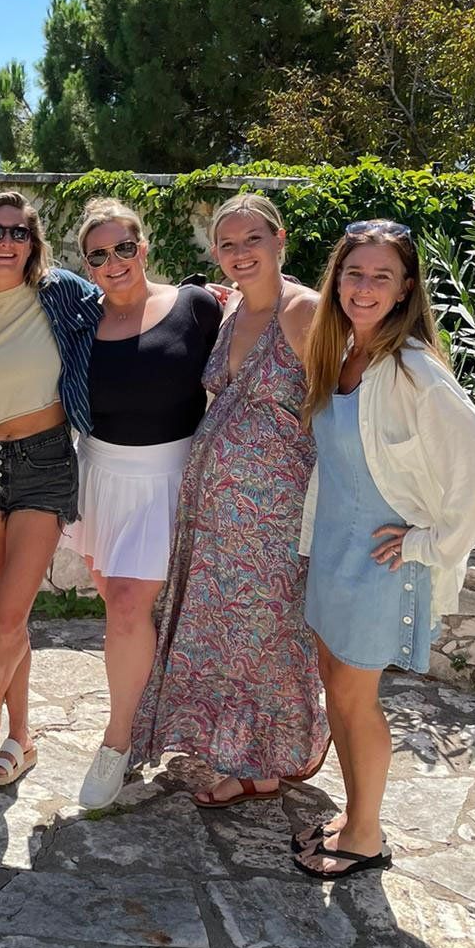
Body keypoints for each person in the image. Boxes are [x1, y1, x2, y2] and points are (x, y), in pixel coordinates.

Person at [294, 220, 475, 880]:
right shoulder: (341, 353)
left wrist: (431, 543)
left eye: (380, 277)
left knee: (356, 702)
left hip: (382, 564)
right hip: (334, 552)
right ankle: (357, 815)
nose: (363, 289)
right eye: (353, 274)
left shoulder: (413, 368)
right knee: (337, 689)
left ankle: (364, 835)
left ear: (405, 287)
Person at [132, 193, 329, 803]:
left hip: (273, 511)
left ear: (280, 240)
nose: (240, 253)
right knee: (224, 634)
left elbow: (344, 401)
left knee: (267, 635)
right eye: (228, 244)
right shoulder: (233, 308)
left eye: (253, 240)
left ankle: (264, 766)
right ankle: (238, 749)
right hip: (216, 513)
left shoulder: (305, 313)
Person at [66, 199, 222, 810]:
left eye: (123, 248)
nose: (113, 263)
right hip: (101, 475)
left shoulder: (196, 306)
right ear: (88, 264)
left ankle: (117, 742)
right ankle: (152, 710)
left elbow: (257, 336)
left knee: (128, 610)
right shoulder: (78, 321)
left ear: (144, 247)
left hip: (169, 477)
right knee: (123, 606)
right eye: (98, 255)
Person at [0, 190, 102, 786]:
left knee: (10, 617)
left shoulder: (61, 295)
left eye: (18, 233)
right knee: (6, 614)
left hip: (44, 462)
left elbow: (126, 293)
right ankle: (21, 738)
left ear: (34, 243)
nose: (6, 242)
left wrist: (212, 297)